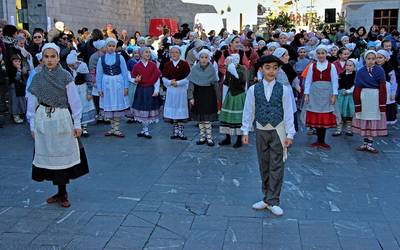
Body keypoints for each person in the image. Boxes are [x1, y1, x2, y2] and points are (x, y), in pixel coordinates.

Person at [26, 43, 89, 208]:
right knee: (49, 153)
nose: (49, 60)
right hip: (43, 119)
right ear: (42, 58)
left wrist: (77, 124)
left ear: (58, 58)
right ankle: (58, 192)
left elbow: (75, 102)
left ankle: (63, 192)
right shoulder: (38, 78)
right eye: (46, 57)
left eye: (52, 56)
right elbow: (32, 103)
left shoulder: (66, 76)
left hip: (61, 118)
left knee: (62, 153)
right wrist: (32, 125)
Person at [241, 55, 295, 216]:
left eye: (275, 68)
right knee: (264, 164)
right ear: (261, 69)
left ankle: (274, 200)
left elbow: (288, 113)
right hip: (261, 129)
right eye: (268, 67)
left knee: (277, 165)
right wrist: (245, 130)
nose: (271, 71)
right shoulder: (253, 89)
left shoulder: (284, 89)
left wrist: (290, 133)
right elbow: (249, 110)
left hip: (278, 130)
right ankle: (266, 197)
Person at [303, 45, 338, 149]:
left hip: (327, 92)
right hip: (315, 93)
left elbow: (335, 81)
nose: (321, 55)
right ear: (316, 54)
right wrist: (306, 94)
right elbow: (308, 81)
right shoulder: (312, 66)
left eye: (323, 53)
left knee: (324, 114)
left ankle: (322, 140)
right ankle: (318, 140)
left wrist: (334, 95)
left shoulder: (331, 66)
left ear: (326, 54)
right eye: (318, 53)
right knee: (316, 114)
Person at [352, 50, 387, 153]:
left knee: (373, 119)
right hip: (364, 97)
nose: (371, 61)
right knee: (364, 119)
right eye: (368, 58)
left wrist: (382, 104)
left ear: (376, 59)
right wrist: (357, 103)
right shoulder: (360, 71)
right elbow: (357, 88)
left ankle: (370, 143)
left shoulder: (380, 70)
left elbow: (382, 87)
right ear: (365, 59)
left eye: (373, 59)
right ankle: (364, 143)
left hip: (375, 98)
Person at [96, 37, 130, 137]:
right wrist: (99, 89)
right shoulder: (101, 59)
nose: (111, 48)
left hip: (118, 82)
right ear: (106, 47)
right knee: (110, 105)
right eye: (109, 46)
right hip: (106, 83)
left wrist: (126, 87)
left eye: (113, 46)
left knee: (117, 105)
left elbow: (124, 73)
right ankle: (112, 128)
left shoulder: (120, 57)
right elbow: (99, 75)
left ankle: (116, 128)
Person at [187, 49, 219, 146]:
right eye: (202, 57)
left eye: (206, 57)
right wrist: (191, 97)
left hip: (209, 95)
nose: (204, 59)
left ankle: (209, 138)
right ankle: (202, 137)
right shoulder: (195, 69)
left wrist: (218, 97)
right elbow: (191, 84)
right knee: (200, 118)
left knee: (207, 118)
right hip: (198, 94)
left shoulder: (212, 69)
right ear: (199, 58)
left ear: (208, 58)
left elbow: (215, 84)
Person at [131, 47, 162, 139]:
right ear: (141, 54)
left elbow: (157, 78)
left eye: (148, 52)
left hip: (150, 90)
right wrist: (135, 80)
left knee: (148, 109)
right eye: (145, 52)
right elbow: (133, 77)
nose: (148, 54)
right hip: (141, 90)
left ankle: (146, 129)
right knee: (142, 109)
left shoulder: (153, 65)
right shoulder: (137, 66)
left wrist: (156, 90)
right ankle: (144, 129)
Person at [162, 46, 191, 140]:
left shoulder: (184, 64)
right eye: (172, 52)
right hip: (171, 90)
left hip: (181, 90)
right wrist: (170, 82)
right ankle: (175, 131)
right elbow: (163, 78)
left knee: (180, 111)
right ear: (170, 54)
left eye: (176, 52)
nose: (174, 54)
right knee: (173, 111)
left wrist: (177, 83)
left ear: (180, 53)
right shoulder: (167, 65)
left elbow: (188, 78)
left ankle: (181, 132)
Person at [219, 54, 246, 148]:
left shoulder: (241, 69)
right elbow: (227, 82)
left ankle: (239, 139)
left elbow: (240, 82)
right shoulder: (229, 69)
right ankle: (227, 138)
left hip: (238, 95)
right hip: (230, 95)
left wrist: (232, 70)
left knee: (238, 118)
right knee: (226, 117)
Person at [67, 50, 96, 136]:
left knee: (84, 107)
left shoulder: (83, 67)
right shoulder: (69, 69)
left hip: (83, 89)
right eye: (69, 65)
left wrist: (89, 93)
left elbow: (89, 80)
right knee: (74, 107)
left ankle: (84, 127)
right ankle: (77, 126)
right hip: (73, 89)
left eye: (72, 65)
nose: (71, 67)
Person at [333, 59, 357, 136]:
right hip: (341, 95)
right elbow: (336, 84)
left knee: (349, 112)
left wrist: (349, 91)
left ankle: (349, 129)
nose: (348, 67)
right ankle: (338, 129)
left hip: (350, 96)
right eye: (347, 65)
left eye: (350, 65)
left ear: (354, 67)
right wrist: (337, 90)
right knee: (339, 111)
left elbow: (355, 85)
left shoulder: (355, 75)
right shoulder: (340, 74)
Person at [376, 50, 397, 124]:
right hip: (376, 88)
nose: (378, 59)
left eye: (380, 57)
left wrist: (393, 93)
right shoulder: (374, 67)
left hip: (387, 88)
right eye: (377, 57)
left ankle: (388, 119)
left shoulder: (389, 68)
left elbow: (393, 82)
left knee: (388, 103)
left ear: (385, 59)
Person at [8, 54, 27, 123]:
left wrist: (23, 71)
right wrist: (19, 71)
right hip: (14, 87)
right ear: (12, 62)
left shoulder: (20, 68)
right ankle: (15, 116)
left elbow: (23, 77)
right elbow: (16, 78)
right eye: (15, 61)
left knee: (21, 100)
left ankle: (21, 113)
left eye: (19, 61)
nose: (17, 63)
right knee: (15, 102)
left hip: (20, 87)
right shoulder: (11, 69)